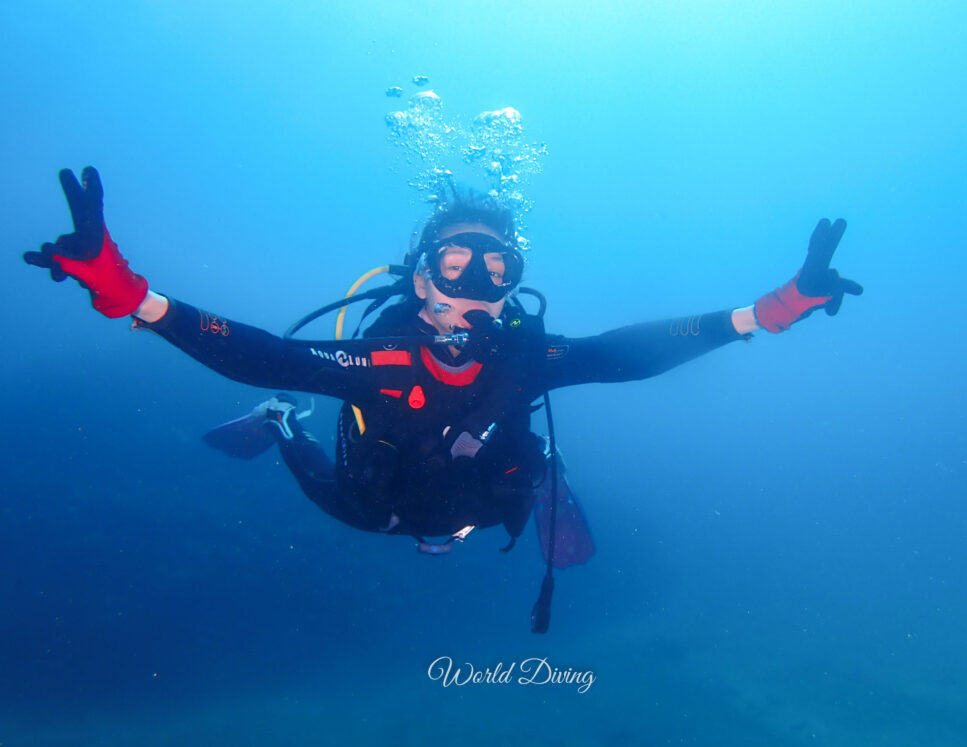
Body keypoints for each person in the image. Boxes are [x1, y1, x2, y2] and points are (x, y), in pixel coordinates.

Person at [23, 166, 862, 629]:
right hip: (372, 502)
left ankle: (470, 503)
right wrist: (126, 292)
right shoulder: (378, 359)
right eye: (458, 266)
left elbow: (623, 356)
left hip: (471, 503)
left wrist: (773, 310)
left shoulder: (528, 358)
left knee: (482, 505)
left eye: (498, 270)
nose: (478, 287)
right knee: (337, 485)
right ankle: (283, 430)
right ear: (422, 276)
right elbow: (263, 354)